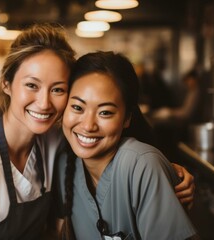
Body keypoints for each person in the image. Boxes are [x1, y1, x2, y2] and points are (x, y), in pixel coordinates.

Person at [0, 24, 194, 240]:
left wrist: (166, 172)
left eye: (58, 89)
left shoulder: (54, 144)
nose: (45, 103)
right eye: (32, 85)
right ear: (7, 84)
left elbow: (114, 152)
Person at [56, 51, 197, 240]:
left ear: (127, 118)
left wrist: (160, 169)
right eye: (77, 107)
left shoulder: (141, 165)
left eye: (105, 112)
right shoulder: (64, 165)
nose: (88, 125)